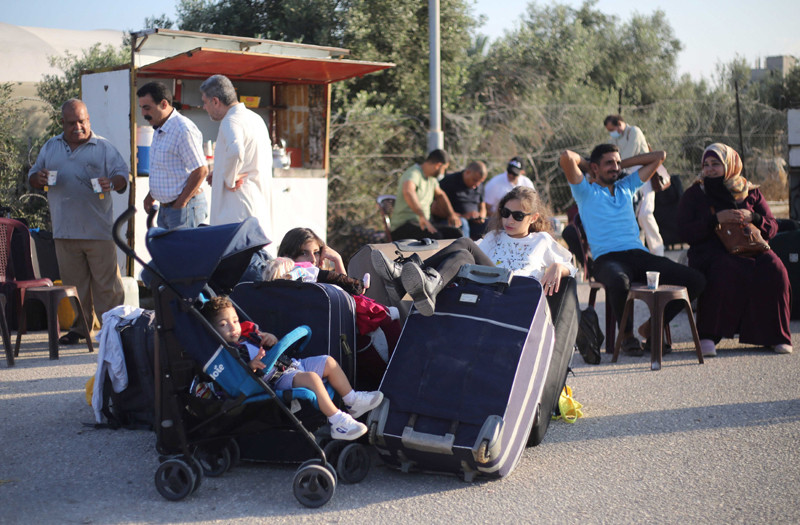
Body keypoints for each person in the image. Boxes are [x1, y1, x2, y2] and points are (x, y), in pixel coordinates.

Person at [560, 145, 706, 355]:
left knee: (696, 280)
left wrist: (619, 166)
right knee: (619, 281)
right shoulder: (585, 191)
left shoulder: (626, 185)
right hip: (607, 260)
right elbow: (566, 157)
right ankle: (627, 335)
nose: (615, 167)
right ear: (595, 167)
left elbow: (659, 156)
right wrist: (590, 167)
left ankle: (651, 328)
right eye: (609, 163)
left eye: (617, 162)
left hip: (639, 255)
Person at [201, 297, 383, 440]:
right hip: (275, 379)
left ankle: (352, 401)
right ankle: (338, 422)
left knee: (328, 361)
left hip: (290, 364)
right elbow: (239, 377)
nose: (234, 327)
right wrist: (251, 366)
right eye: (224, 324)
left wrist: (271, 339)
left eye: (235, 320)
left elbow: (269, 344)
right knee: (311, 378)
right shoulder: (227, 353)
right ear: (211, 329)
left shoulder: (248, 335)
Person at [677, 143, 792, 356]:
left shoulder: (750, 190)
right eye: (706, 164)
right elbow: (683, 231)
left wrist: (754, 218)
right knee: (724, 268)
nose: (710, 169)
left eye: (716, 164)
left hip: (751, 248)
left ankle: (775, 335)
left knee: (775, 269)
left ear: (730, 164)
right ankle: (708, 336)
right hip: (710, 251)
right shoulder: (696, 192)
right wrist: (714, 220)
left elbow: (772, 225)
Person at [28, 99, 127, 345]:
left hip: (99, 231)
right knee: (75, 286)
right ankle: (81, 329)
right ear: (63, 123)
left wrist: (111, 183)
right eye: (71, 123)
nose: (78, 127)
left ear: (88, 119)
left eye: (82, 121)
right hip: (65, 231)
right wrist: (38, 178)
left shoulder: (103, 147)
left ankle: (113, 330)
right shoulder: (51, 146)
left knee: (107, 286)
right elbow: (33, 176)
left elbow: (123, 176)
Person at [200, 75, 272, 237]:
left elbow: (236, 151)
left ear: (216, 101)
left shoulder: (231, 120)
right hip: (255, 203)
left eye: (205, 102)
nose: (204, 107)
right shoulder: (256, 119)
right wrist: (220, 173)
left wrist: (229, 179)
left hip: (236, 207)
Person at [137, 81, 209, 229]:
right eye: (142, 108)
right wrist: (152, 195)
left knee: (184, 252)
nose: (143, 114)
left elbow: (201, 170)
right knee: (168, 252)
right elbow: (166, 169)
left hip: (184, 208)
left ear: (164, 104)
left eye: (147, 108)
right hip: (167, 209)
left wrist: (180, 204)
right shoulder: (159, 128)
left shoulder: (183, 130)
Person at [477, 187, 576, 291]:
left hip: (522, 298)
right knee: (462, 244)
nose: (509, 221)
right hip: (488, 295)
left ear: (533, 218)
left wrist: (558, 267)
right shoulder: (493, 237)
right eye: (505, 213)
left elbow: (571, 268)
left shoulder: (541, 240)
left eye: (518, 216)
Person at [372, 237, 495, 316]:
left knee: (466, 248)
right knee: (464, 252)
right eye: (505, 212)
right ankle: (428, 287)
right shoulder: (494, 235)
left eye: (515, 215)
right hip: (470, 277)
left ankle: (402, 279)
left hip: (505, 285)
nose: (510, 219)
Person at [604, 114, 664, 256]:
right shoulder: (615, 138)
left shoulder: (634, 132)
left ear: (620, 124)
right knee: (632, 216)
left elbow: (627, 157)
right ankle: (640, 253)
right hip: (627, 178)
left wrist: (611, 165)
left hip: (644, 175)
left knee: (645, 213)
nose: (611, 132)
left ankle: (658, 253)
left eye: (612, 128)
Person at [390, 149, 462, 241]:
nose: (443, 173)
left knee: (456, 233)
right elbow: (408, 191)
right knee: (435, 237)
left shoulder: (432, 179)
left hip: (422, 224)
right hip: (403, 226)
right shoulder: (414, 173)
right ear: (438, 165)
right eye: (444, 169)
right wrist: (422, 216)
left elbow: (440, 195)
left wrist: (451, 214)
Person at [433, 161, 489, 239]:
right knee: (463, 222)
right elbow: (434, 208)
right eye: (475, 180)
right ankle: (466, 248)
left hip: (474, 223)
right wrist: (461, 216)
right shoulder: (449, 181)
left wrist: (481, 217)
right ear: (467, 172)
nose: (477, 185)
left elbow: (482, 206)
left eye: (480, 182)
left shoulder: (479, 185)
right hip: (452, 222)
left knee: (493, 223)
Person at [266, 257, 367, 296]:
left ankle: (359, 284)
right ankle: (359, 284)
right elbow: (293, 274)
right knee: (340, 280)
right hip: (317, 277)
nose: (313, 259)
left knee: (341, 281)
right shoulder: (297, 272)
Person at [278, 228, 347, 275]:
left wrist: (337, 260)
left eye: (316, 253)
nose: (313, 259)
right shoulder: (277, 286)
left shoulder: (323, 284)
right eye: (304, 253)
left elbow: (345, 294)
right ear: (287, 257)